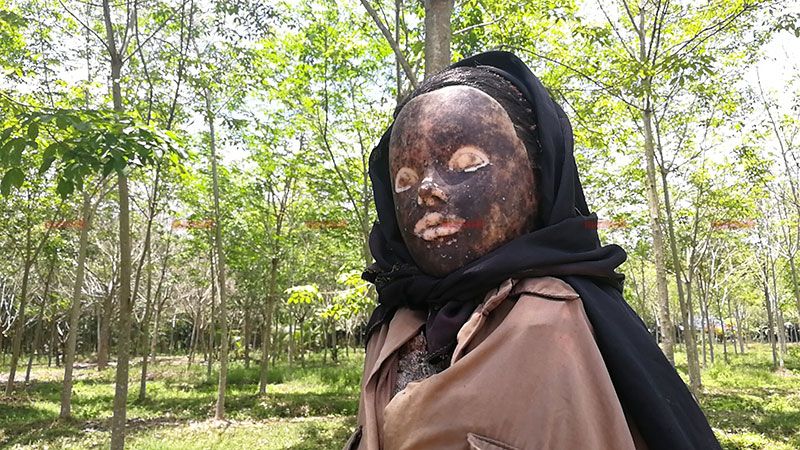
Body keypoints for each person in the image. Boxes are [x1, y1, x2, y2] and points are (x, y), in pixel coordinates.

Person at [345, 51, 720, 450]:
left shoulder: (558, 319)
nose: (426, 190)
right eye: (404, 179)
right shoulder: (392, 324)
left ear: (540, 176)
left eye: (467, 162)